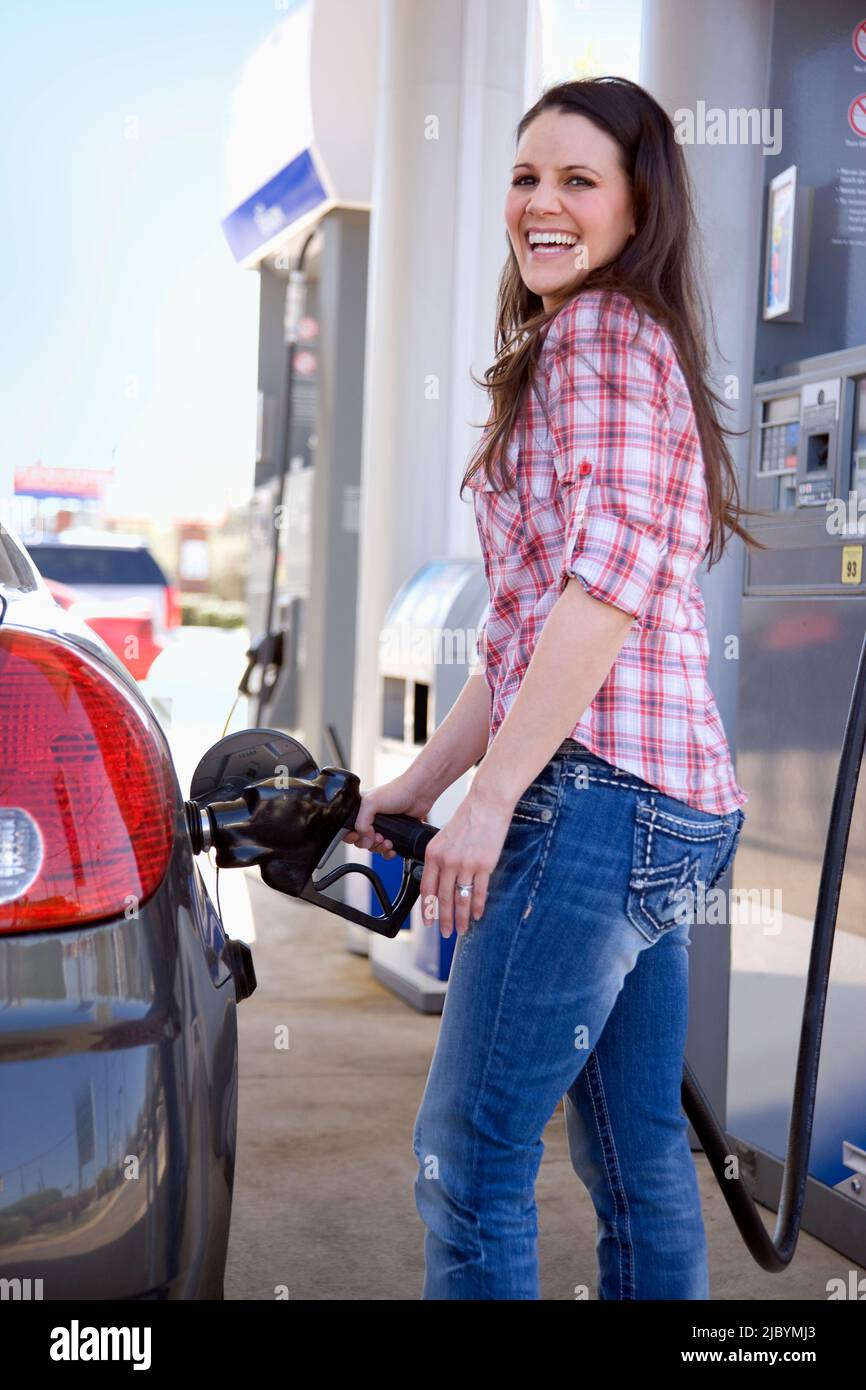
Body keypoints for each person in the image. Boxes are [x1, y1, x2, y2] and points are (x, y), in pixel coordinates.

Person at [343, 75, 762, 1301]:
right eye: (526, 176)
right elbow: (528, 634)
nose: (541, 202)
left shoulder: (597, 335)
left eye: (578, 179)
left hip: (594, 807)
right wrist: (424, 782)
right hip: (664, 811)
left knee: (469, 1154)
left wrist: (493, 801)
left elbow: (605, 588)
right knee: (635, 1155)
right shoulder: (609, 343)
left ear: (639, 207)